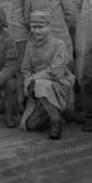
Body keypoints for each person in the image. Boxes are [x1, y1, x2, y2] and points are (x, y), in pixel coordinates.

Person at [30, 0, 83, 124]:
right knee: (48, 75)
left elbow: (71, 15)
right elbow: (28, 17)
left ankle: (70, 109)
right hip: (42, 42)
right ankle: (54, 110)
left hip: (62, 39)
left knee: (66, 74)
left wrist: (60, 29)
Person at [19, 11, 75, 140]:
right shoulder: (30, 45)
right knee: (30, 125)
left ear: (48, 26)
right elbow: (26, 69)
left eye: (41, 27)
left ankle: (56, 122)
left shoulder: (58, 44)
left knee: (42, 84)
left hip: (60, 84)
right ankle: (61, 110)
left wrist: (34, 78)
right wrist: (27, 82)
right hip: (38, 90)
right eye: (34, 27)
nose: (37, 31)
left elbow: (56, 72)